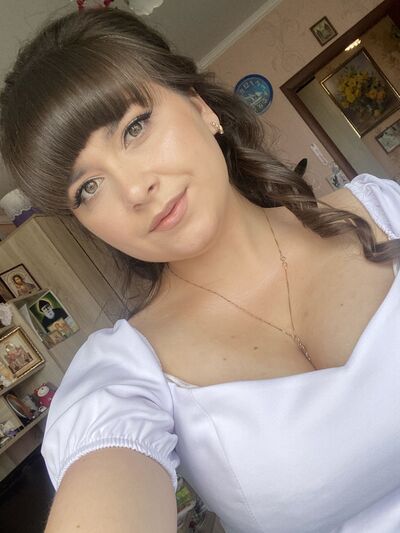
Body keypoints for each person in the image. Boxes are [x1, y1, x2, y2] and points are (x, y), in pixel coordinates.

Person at [0, 7, 399, 533]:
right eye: (88, 188)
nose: (135, 189)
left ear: (201, 108)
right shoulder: (126, 376)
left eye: (135, 127)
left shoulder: (383, 208)